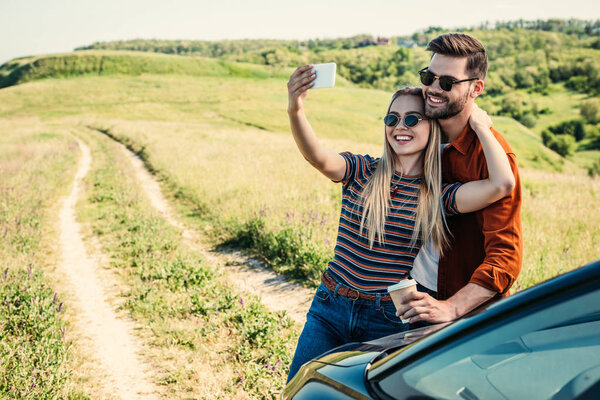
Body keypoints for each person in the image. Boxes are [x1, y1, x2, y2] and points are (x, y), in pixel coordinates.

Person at [285, 64, 515, 381]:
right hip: (330, 306)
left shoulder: (437, 195)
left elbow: (502, 184)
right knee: (302, 388)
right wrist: (295, 108)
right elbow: (317, 157)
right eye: (392, 119)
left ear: (431, 127)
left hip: (386, 319)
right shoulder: (361, 170)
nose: (399, 126)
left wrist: (481, 126)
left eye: (411, 119)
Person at [396, 33, 523, 325]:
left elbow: (505, 258)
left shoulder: (491, 155)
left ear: (476, 88)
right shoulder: (417, 132)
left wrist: (452, 307)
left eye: (447, 82)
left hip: (456, 309)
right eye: (429, 77)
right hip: (407, 294)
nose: (433, 88)